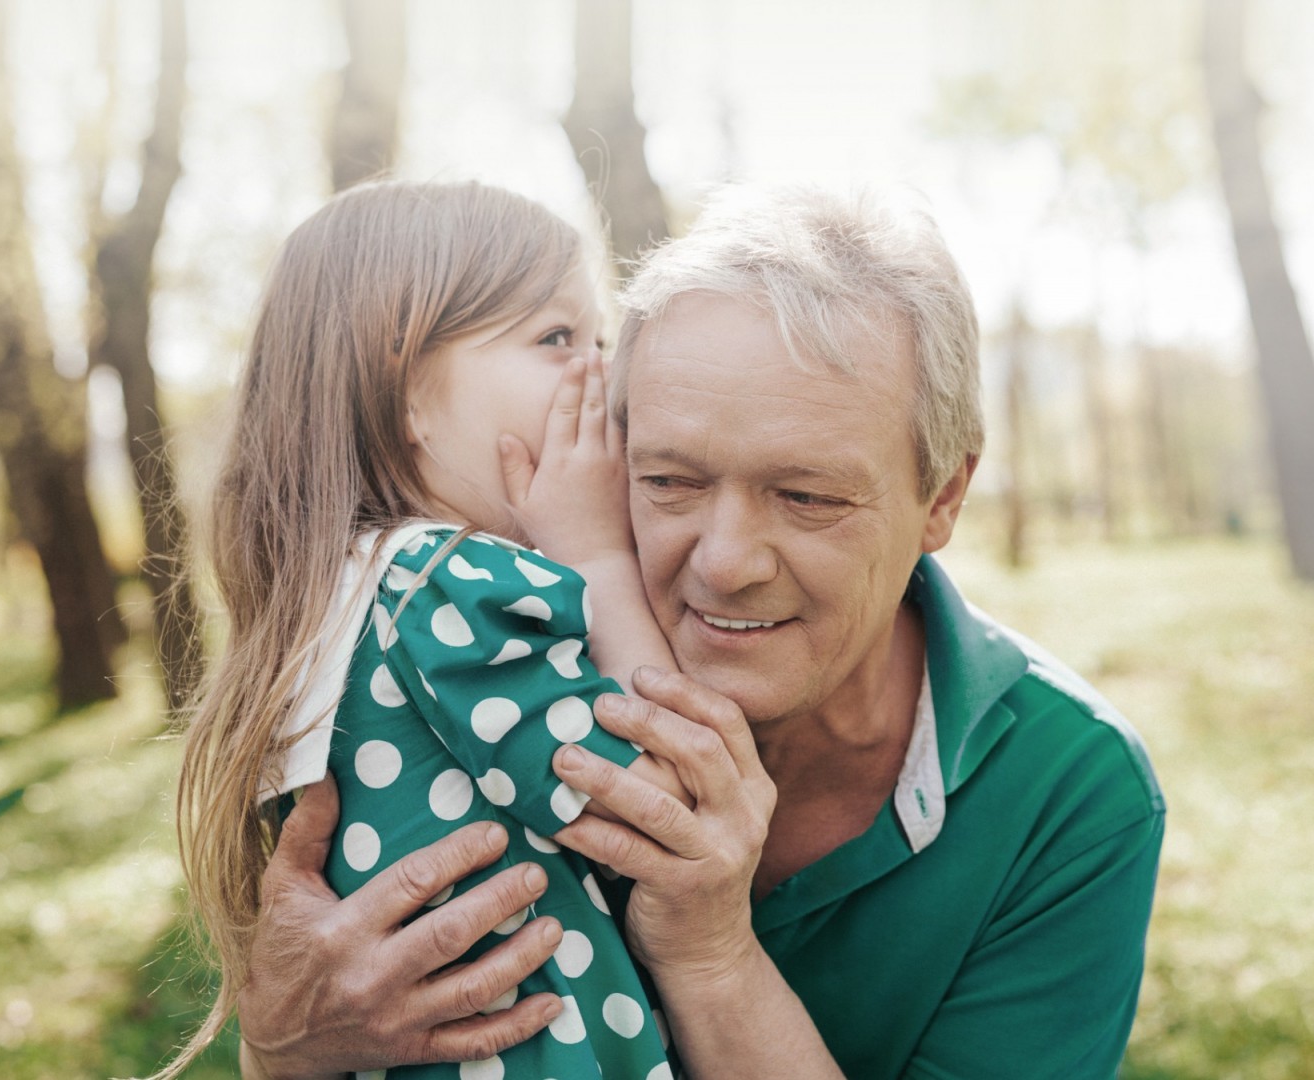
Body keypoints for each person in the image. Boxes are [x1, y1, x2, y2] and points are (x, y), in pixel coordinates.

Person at [235, 184, 1165, 1079]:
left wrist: (712, 954)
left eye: (806, 497)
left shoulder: (1071, 792)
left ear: (943, 498)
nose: (724, 563)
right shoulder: (474, 664)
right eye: (669, 482)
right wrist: (281, 1055)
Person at [172, 181, 693, 1080]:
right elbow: (669, 803)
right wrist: (598, 556)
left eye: (599, 341)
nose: (602, 380)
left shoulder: (346, 591)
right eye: (556, 338)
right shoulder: (448, 584)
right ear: (406, 390)